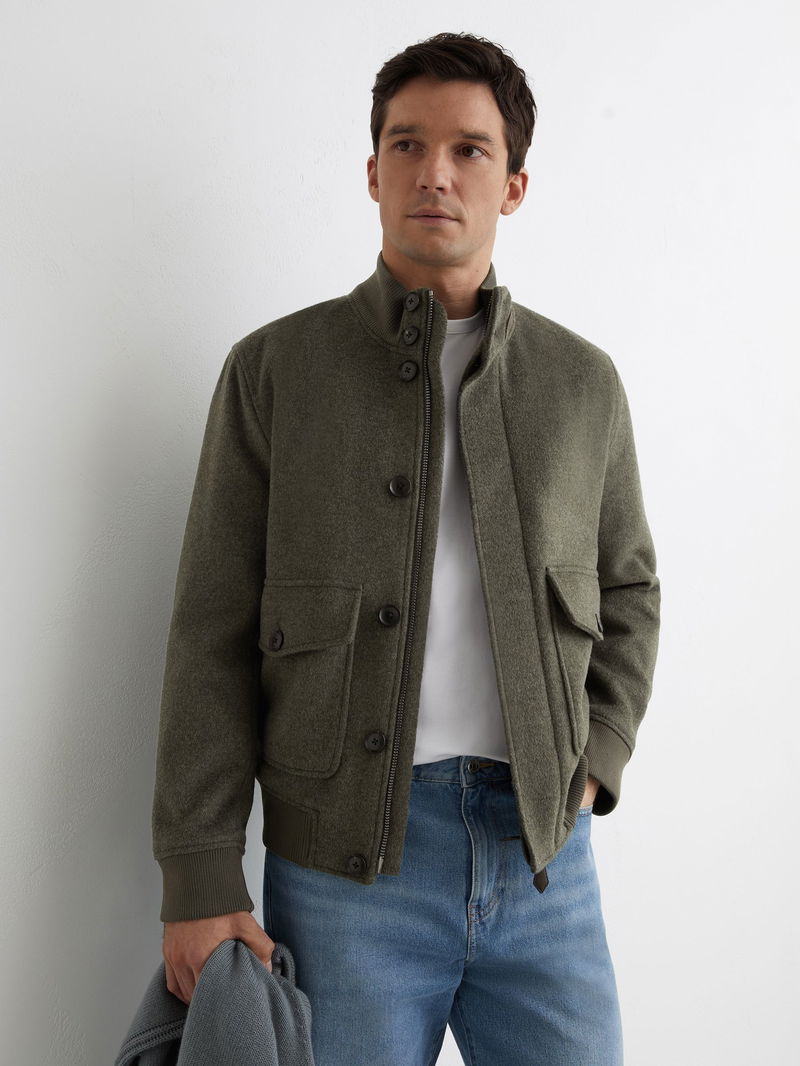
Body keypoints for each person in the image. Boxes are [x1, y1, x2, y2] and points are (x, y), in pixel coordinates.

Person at [152, 31, 660, 1065]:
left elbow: (629, 591)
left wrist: (595, 759)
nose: (434, 172)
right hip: (344, 877)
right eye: (407, 143)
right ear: (372, 171)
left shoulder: (580, 384)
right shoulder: (275, 372)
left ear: (513, 186)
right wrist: (199, 873)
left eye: (469, 149)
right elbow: (211, 628)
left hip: (542, 864)